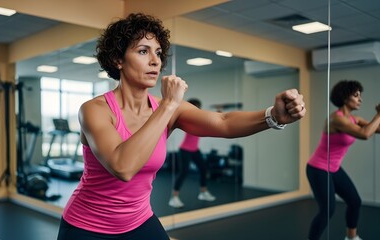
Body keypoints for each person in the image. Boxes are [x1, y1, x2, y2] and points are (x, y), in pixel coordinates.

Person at [57, 12, 306, 240]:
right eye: (143, 51)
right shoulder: (95, 110)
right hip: (87, 226)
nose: (156, 61)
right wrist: (168, 105)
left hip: (139, 220)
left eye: (158, 52)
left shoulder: (167, 108)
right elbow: (123, 166)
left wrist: (273, 116)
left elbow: (223, 122)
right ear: (117, 59)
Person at [306, 80, 380, 240]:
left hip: (334, 168)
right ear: (345, 98)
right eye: (356, 95)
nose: (360, 99)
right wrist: (379, 114)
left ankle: (351, 237)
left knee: (355, 201)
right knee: (327, 210)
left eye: (360, 96)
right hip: (318, 168)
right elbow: (365, 134)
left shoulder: (355, 119)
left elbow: (375, 129)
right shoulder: (336, 120)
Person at [169, 98, 216, 208]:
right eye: (195, 106)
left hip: (195, 150)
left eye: (198, 106)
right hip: (185, 150)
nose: (197, 108)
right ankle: (174, 197)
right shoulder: (188, 119)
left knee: (203, 169)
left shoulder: (198, 118)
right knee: (183, 172)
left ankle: (203, 192)